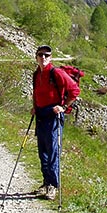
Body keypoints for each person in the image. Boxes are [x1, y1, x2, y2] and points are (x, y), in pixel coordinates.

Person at [31, 44, 79, 200]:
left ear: (50, 57)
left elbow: (75, 91)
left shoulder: (56, 73)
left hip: (53, 115)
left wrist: (63, 107)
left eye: (46, 55)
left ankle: (53, 186)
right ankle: (46, 183)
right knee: (42, 152)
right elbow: (36, 93)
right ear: (36, 57)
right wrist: (34, 107)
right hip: (40, 115)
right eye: (40, 55)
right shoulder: (36, 74)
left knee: (53, 151)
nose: (43, 58)